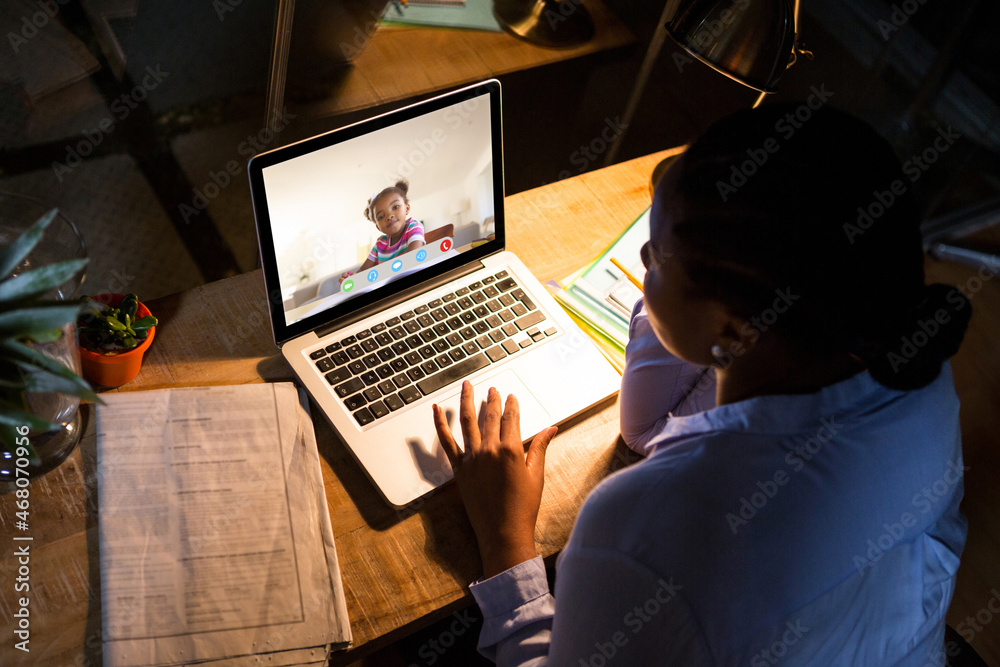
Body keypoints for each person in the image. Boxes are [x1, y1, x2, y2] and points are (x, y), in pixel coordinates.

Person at [431, 104, 972, 665]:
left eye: (657, 258)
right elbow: (650, 424)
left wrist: (506, 542)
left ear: (734, 327)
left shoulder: (640, 532)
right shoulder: (917, 375)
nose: (640, 259)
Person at [340, 179, 425, 284]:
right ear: (378, 227)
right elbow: (362, 271)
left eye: (395, 207)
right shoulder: (380, 244)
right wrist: (352, 279)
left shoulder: (414, 227)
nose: (389, 216)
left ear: (407, 208)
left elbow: (413, 258)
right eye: (381, 216)